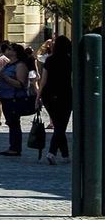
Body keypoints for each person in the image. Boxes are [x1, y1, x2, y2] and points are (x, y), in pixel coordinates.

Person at [37, 35, 73, 165]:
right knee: (60, 125)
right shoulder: (72, 61)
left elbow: (43, 81)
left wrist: (38, 96)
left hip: (49, 95)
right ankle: (52, 153)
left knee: (58, 125)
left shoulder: (50, 60)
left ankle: (65, 154)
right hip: (66, 94)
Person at [0, 44, 33, 157]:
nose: (7, 50)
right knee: (11, 123)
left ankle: (15, 148)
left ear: (15, 52)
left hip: (14, 98)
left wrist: (5, 78)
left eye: (10, 49)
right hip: (6, 98)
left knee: (14, 123)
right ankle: (13, 146)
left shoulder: (20, 65)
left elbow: (20, 84)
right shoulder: (8, 64)